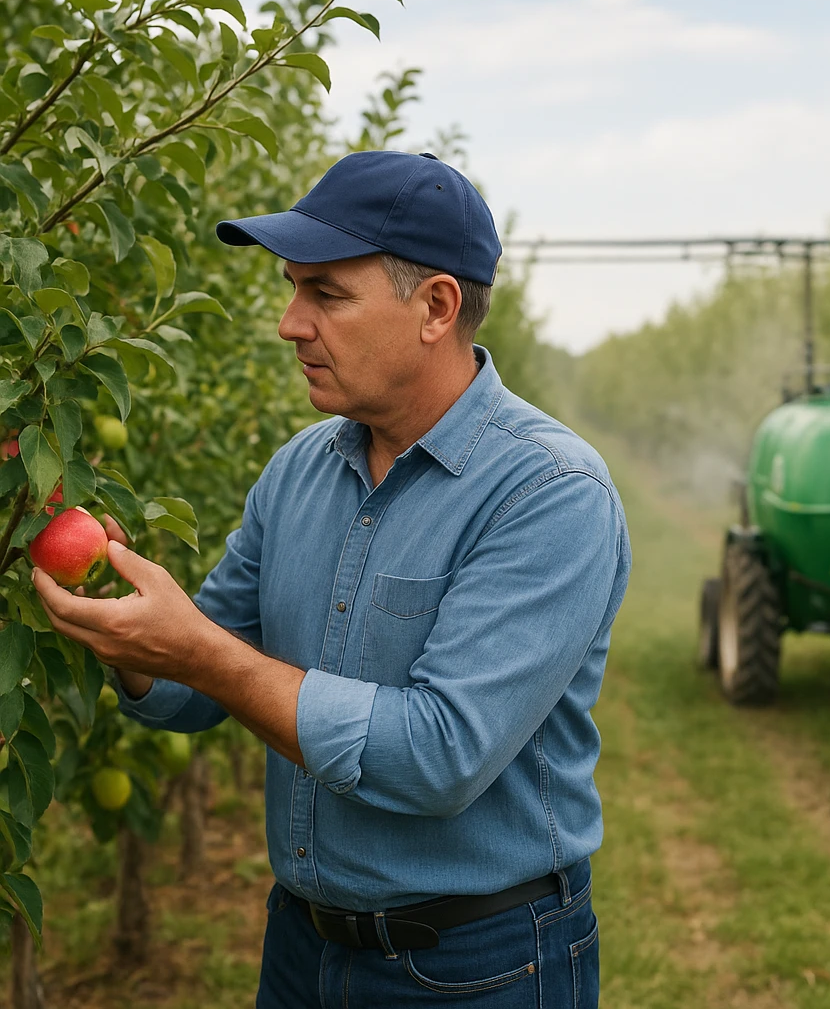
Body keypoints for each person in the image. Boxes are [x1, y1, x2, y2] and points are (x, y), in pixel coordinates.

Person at [32, 149, 631, 1008]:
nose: (289, 323)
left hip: (478, 966)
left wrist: (198, 653)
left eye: (326, 294)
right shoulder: (299, 471)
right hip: (303, 946)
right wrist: (119, 620)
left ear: (436, 306)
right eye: (293, 288)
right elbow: (197, 682)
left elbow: (436, 758)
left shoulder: (547, 494)